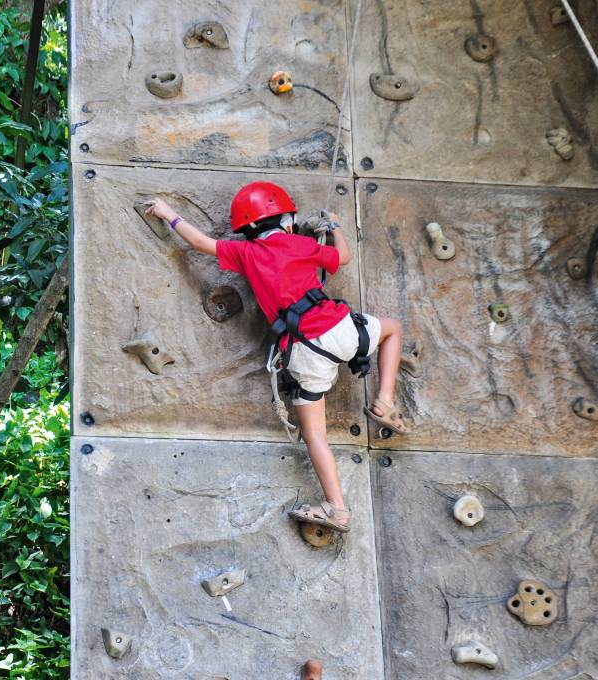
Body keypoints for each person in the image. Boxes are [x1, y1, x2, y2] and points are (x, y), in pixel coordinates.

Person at [145, 182, 409, 533]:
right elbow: (342, 258)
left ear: (248, 229)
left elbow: (200, 243)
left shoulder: (246, 253)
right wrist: (334, 226)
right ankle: (385, 401)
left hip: (304, 350)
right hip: (343, 329)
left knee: (314, 433)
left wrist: (168, 213)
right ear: (286, 221)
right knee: (392, 329)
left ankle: (337, 509)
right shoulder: (300, 243)